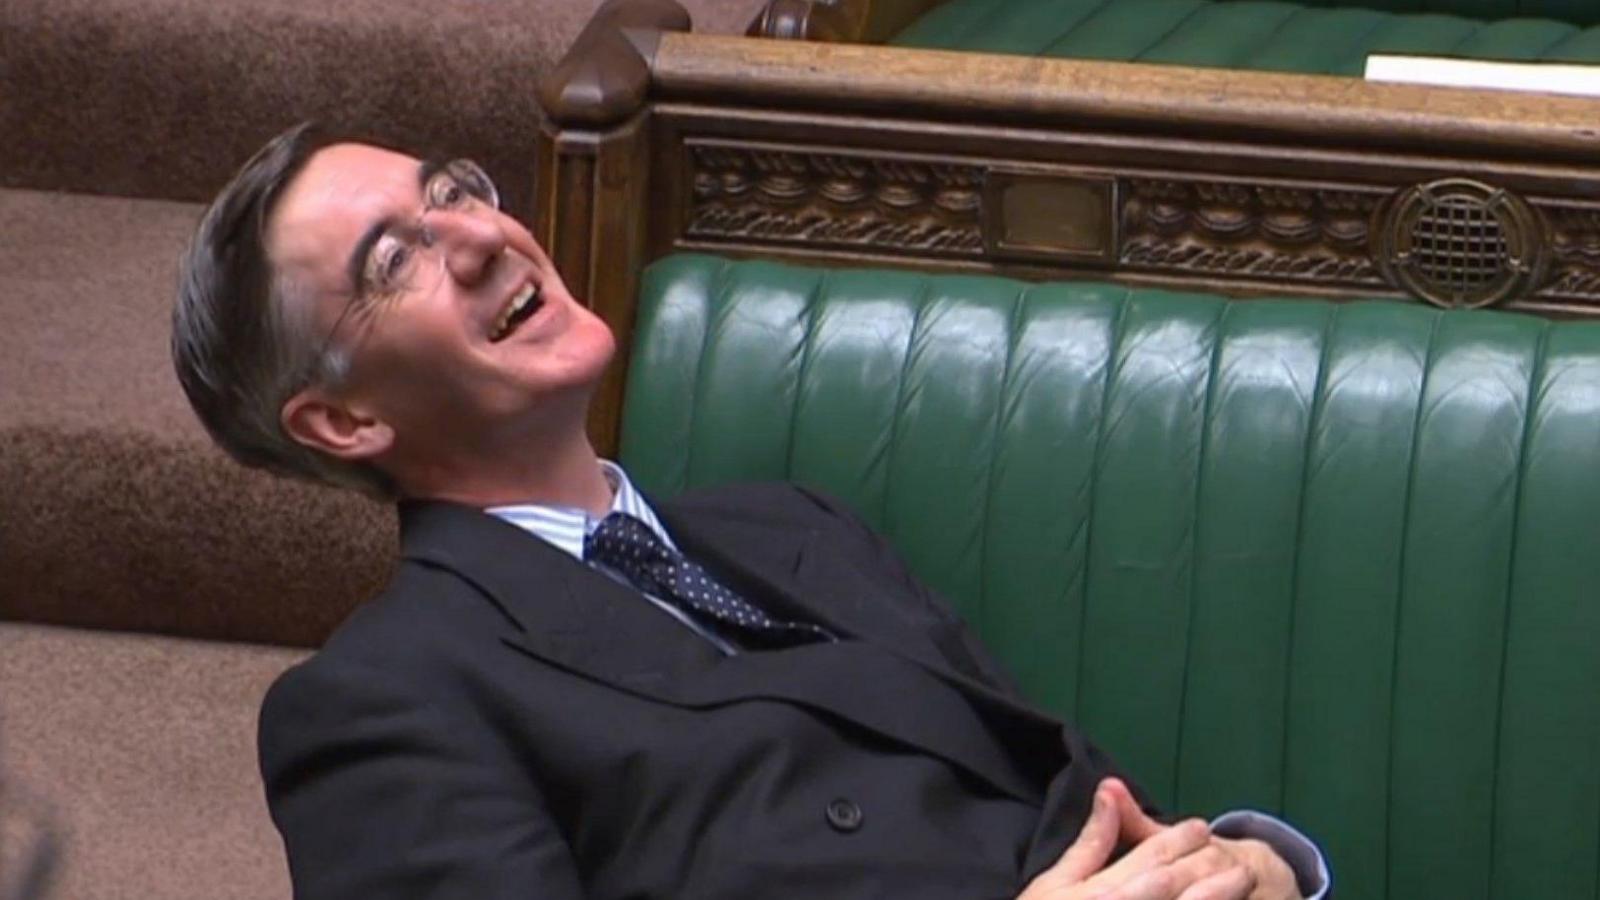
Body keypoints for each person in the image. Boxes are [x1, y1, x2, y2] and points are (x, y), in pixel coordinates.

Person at [172, 123, 1329, 900]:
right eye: (394, 260)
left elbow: (1049, 797)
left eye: (454, 192)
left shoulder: (790, 526)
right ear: (342, 424)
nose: (478, 237)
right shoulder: (381, 702)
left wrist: (1246, 862)